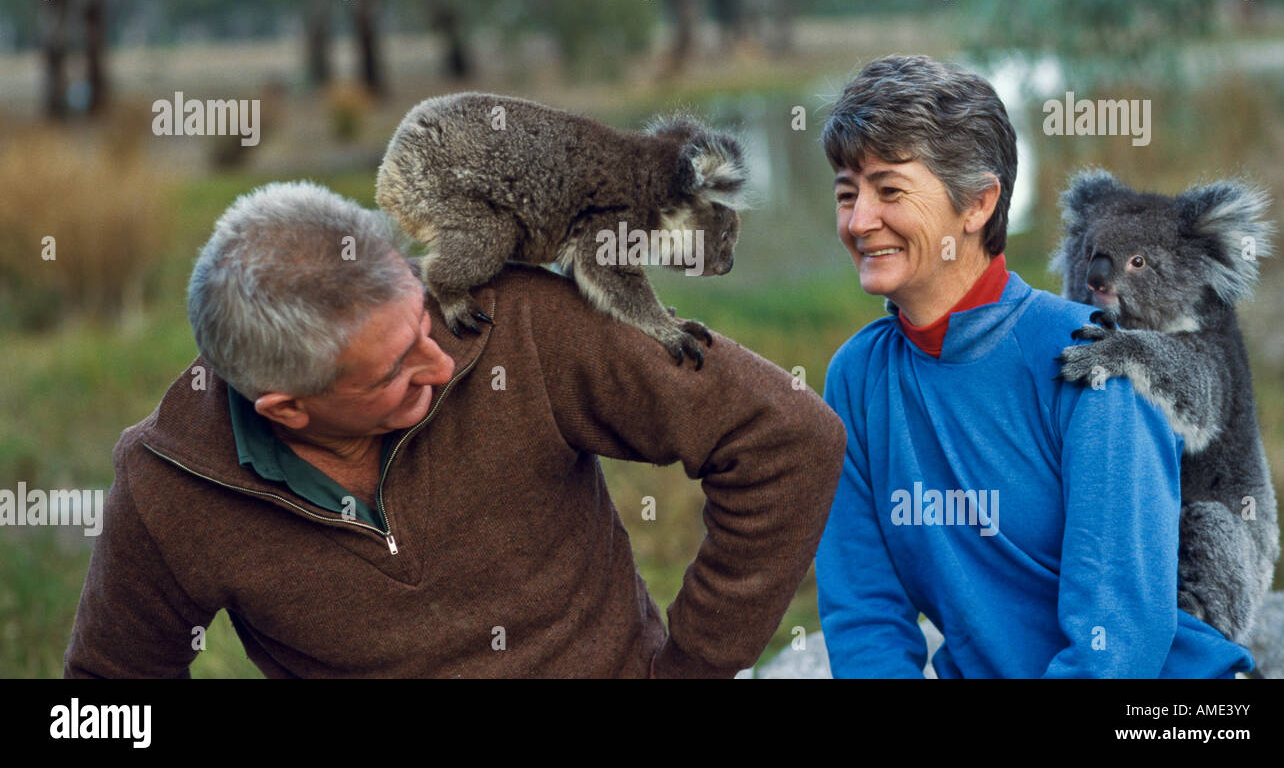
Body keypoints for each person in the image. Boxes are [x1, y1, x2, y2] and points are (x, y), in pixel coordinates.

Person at [63, 180, 845, 678]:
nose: (442, 365)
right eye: (395, 371)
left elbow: (786, 436)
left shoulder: (519, 315)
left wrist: (694, 668)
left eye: (423, 319)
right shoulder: (169, 481)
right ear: (286, 409)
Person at [813, 55, 1254, 678]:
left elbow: (1114, 640)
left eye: (889, 190)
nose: (860, 220)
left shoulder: (1090, 356)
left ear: (978, 204)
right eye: (846, 192)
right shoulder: (856, 379)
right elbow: (865, 615)